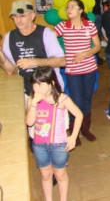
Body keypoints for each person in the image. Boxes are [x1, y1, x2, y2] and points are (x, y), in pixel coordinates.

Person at [26, 66, 83, 201]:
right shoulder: (32, 99)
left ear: (51, 83)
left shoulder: (62, 99)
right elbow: (29, 122)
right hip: (39, 145)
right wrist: (33, 104)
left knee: (60, 175)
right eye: (34, 83)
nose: (37, 88)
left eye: (40, 84)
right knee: (46, 175)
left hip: (59, 145)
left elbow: (79, 115)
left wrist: (73, 137)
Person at [54, 0, 101, 145]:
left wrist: (84, 54)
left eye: (73, 7)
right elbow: (47, 38)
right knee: (76, 101)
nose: (69, 9)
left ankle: (85, 129)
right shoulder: (63, 26)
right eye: (68, 7)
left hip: (89, 69)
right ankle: (74, 131)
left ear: (80, 10)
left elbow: (98, 46)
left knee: (87, 100)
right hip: (72, 71)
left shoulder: (90, 25)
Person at [0, 0, 65, 98]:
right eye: (15, 16)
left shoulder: (46, 33)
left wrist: (34, 62)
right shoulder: (9, 37)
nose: (18, 20)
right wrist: (1, 54)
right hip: (25, 92)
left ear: (32, 16)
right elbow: (10, 70)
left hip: (50, 91)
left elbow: (62, 61)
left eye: (22, 16)